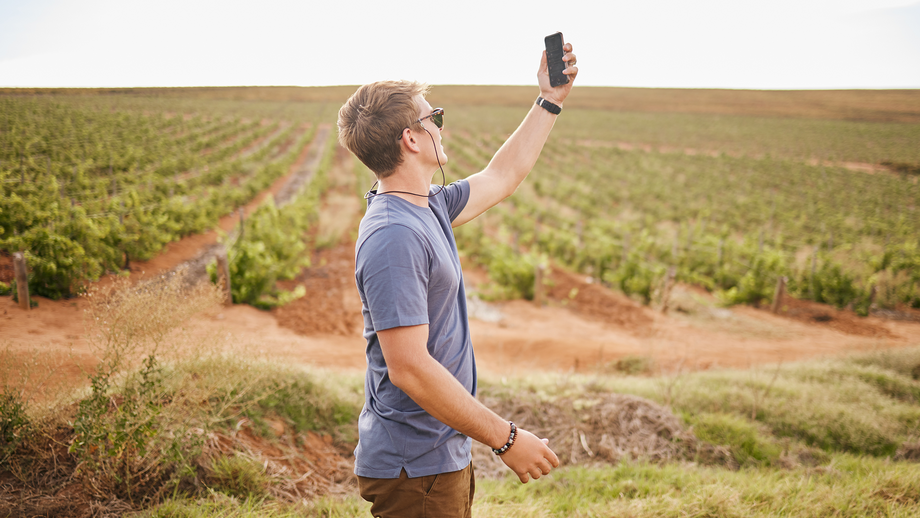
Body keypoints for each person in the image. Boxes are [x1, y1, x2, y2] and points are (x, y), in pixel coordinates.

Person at [337, 42, 578, 518]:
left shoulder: (428, 206)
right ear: (411, 138)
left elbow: (503, 175)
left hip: (435, 454)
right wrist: (506, 439)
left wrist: (550, 100)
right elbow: (408, 368)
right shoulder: (394, 236)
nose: (441, 126)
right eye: (435, 118)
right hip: (415, 465)